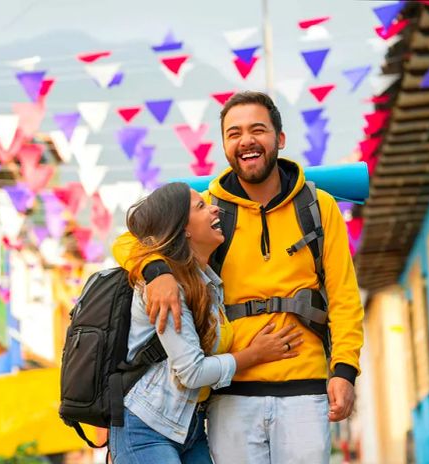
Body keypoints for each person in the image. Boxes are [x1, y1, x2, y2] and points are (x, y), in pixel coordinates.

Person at [113, 91, 364, 463]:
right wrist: (155, 270)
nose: (246, 140)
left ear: (279, 139)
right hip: (231, 393)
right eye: (234, 133)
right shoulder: (207, 207)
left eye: (257, 129)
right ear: (225, 147)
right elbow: (126, 239)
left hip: (305, 388)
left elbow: (344, 297)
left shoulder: (318, 207)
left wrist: (344, 370)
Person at [110, 181, 305, 464]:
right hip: (145, 426)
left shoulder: (208, 283)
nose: (215, 208)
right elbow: (191, 372)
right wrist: (254, 355)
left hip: (188, 426)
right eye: (201, 206)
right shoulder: (167, 288)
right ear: (183, 229)